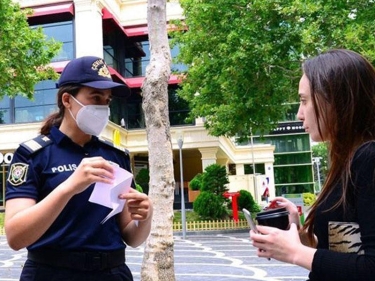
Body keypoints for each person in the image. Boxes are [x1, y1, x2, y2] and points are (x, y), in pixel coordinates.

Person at [4, 56, 153, 281]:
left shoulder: (115, 156)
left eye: (107, 100)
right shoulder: (33, 155)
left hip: (111, 273)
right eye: (95, 97)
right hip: (52, 273)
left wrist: (144, 217)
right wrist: (69, 187)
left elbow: (131, 237)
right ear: (67, 99)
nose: (103, 107)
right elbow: (15, 236)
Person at [250, 49, 375, 280]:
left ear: (337, 101)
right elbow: (344, 248)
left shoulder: (369, 159)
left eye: (304, 100)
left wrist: (296, 253)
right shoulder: (346, 160)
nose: (299, 114)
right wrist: (302, 237)